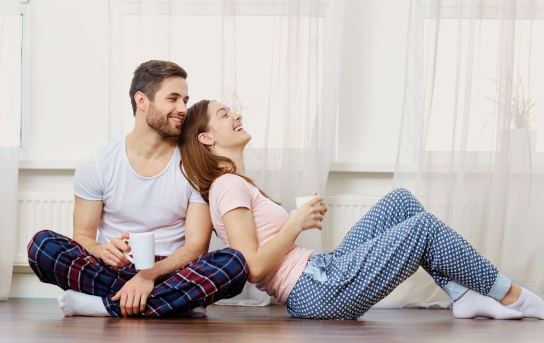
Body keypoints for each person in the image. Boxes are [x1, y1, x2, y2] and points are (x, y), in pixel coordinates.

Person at [178, 99, 544, 320]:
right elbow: (253, 268)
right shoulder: (226, 186)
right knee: (424, 228)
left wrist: (296, 217)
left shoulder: (237, 184)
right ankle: (515, 297)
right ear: (207, 138)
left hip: (320, 273)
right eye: (224, 114)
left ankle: (462, 295)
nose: (235, 115)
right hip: (315, 290)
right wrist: (294, 223)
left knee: (401, 201)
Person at [27, 62, 248, 318]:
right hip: (114, 269)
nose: (183, 109)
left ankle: (104, 305)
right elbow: (83, 235)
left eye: (185, 100)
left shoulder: (194, 164)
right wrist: (101, 250)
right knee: (42, 245)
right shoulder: (98, 163)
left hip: (171, 271)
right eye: (173, 99)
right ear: (142, 100)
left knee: (234, 262)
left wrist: (148, 276)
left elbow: (196, 246)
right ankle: (173, 304)